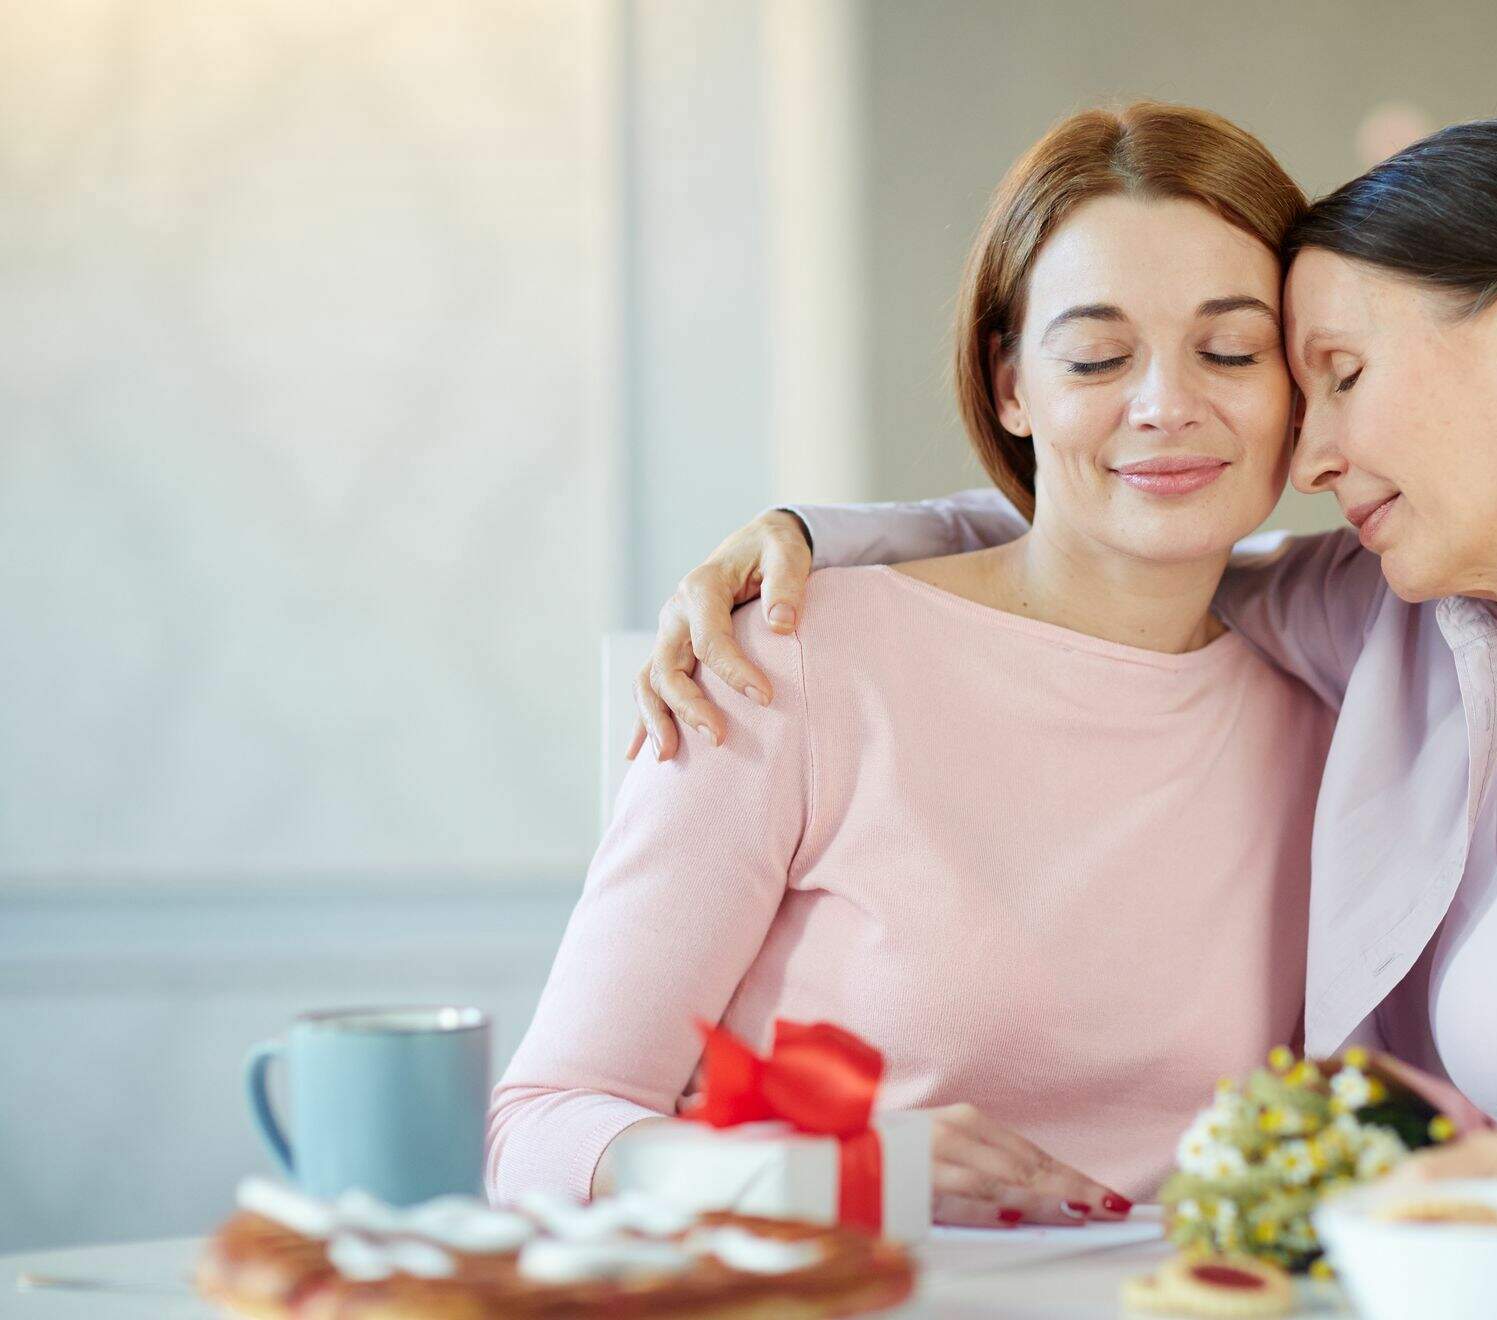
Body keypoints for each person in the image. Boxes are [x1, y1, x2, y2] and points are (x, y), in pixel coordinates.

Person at [633, 118, 1497, 1258]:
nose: (1312, 448)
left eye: (1333, 374)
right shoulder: (1398, 631)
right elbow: (1126, 533)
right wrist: (817, 538)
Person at [488, 103, 1339, 1227]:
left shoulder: (1328, 701)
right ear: (1010, 385)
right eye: (1096, 355)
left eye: (1231, 350)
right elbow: (539, 1127)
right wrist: (831, 1172)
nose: (1166, 405)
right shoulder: (796, 662)